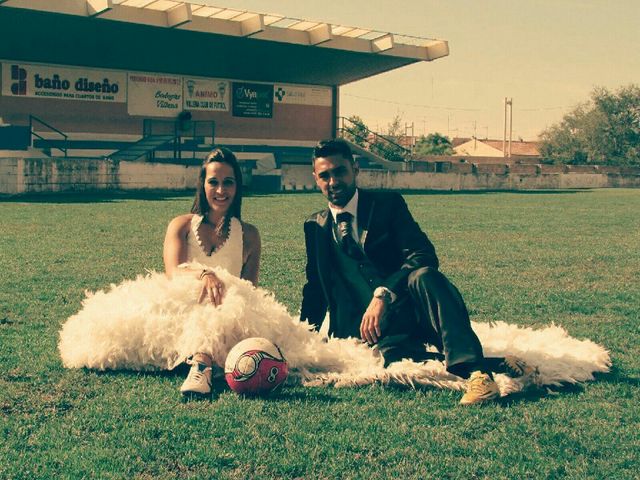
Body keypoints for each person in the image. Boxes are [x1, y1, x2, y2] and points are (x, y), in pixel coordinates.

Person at [300, 139, 533, 405]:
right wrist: (304, 342)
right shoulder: (314, 225)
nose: (333, 182)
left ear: (355, 169)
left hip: (408, 311)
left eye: (339, 171)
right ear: (315, 179)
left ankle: (478, 375)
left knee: (423, 275)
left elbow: (423, 254)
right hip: (363, 333)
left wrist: (384, 294)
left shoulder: (387, 205)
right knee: (399, 360)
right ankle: (498, 364)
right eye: (324, 176)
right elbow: (315, 287)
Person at [162, 147, 261, 396]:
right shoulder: (181, 224)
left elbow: (250, 290)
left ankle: (201, 365)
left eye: (228, 183)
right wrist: (205, 274)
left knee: (222, 306)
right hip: (184, 306)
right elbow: (173, 272)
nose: (220, 191)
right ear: (202, 185)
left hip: (227, 313)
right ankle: (201, 366)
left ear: (237, 187)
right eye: (213, 182)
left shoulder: (249, 234)